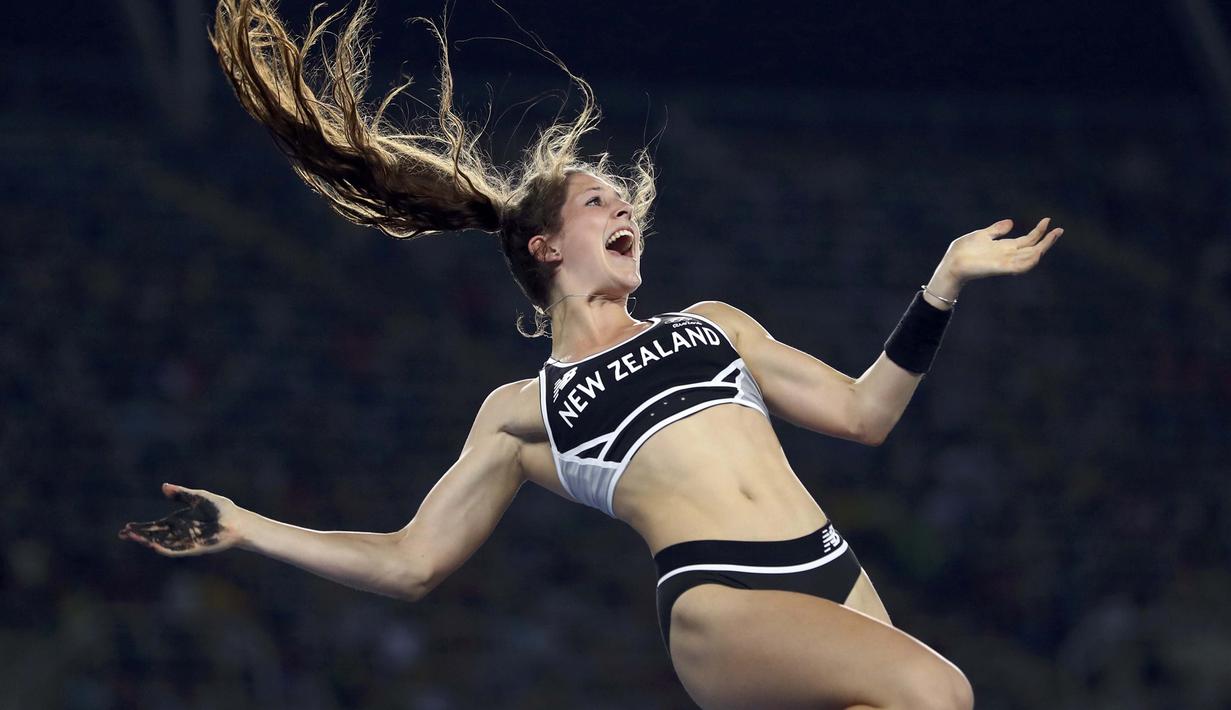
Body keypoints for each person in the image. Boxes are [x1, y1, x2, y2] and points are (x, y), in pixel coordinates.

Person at [119, 1, 1063, 707]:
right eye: (599, 202)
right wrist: (248, 528)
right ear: (544, 246)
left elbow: (865, 415)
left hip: (830, 570)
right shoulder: (523, 409)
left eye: (625, 201)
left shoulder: (714, 324)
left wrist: (941, 284)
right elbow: (411, 563)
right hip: (724, 604)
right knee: (940, 694)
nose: (624, 211)